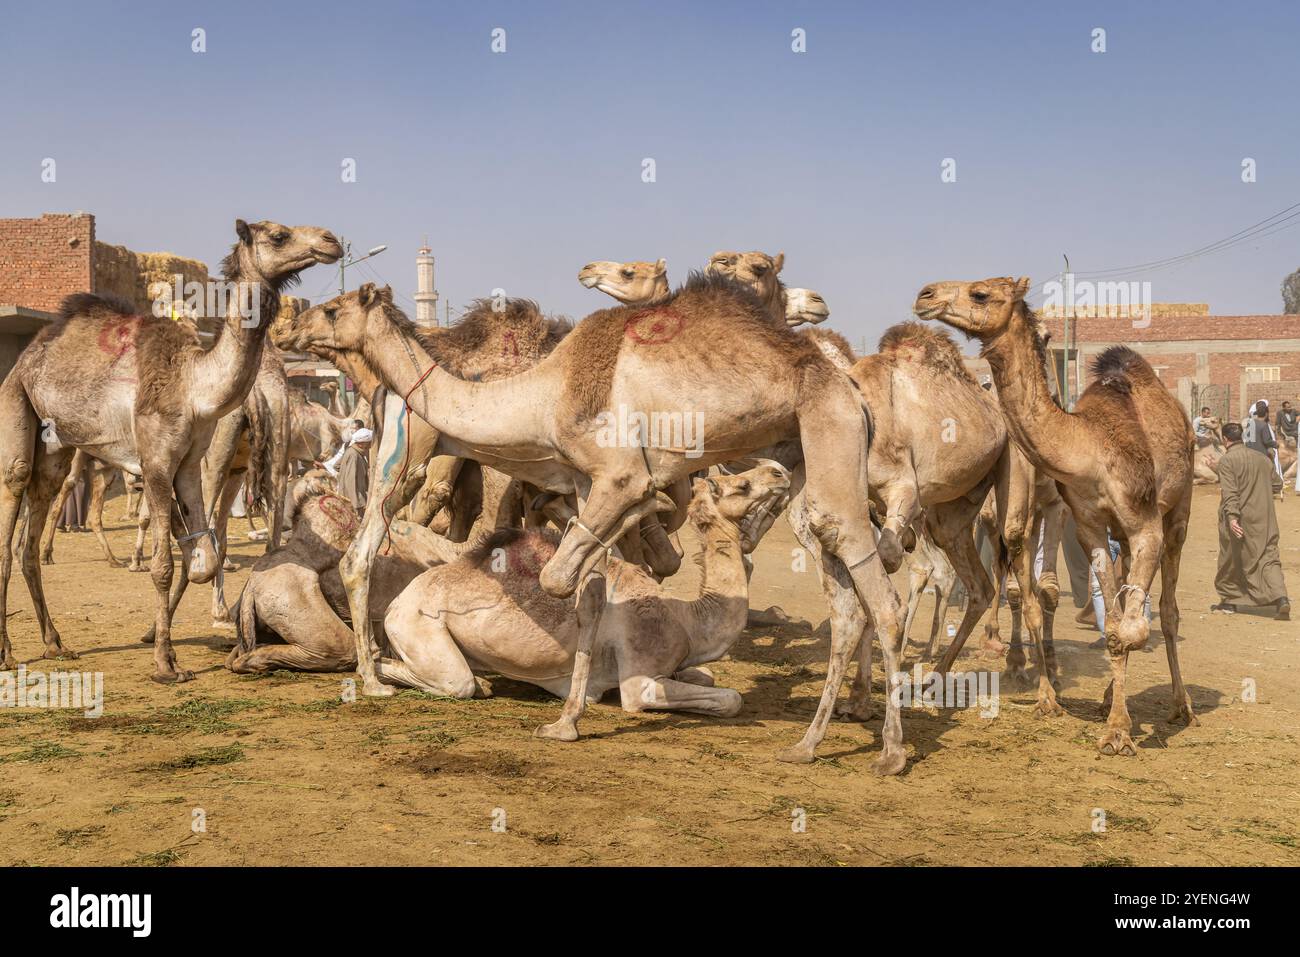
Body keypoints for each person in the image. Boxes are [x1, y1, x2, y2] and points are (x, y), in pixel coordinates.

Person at [1213, 422, 1289, 618]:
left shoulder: (1227, 461)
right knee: (1269, 558)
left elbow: (1230, 493)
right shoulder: (1262, 459)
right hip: (1265, 519)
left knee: (1232, 558)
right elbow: (1277, 484)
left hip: (1240, 519)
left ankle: (1230, 601)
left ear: (1225, 439)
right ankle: (1281, 599)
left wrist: (1232, 518)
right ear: (1242, 437)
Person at [336, 428, 373, 512]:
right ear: (361, 444)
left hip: (354, 497)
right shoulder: (354, 455)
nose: (370, 445)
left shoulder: (352, 452)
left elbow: (337, 466)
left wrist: (344, 470)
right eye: (369, 443)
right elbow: (351, 481)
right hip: (353, 501)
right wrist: (357, 504)